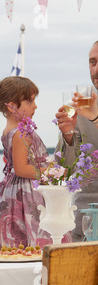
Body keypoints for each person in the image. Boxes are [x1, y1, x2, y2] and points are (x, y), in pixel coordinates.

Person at [0, 76, 71, 249]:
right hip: (26, 193)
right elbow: (21, 168)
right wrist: (49, 173)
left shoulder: (10, 130)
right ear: (11, 106)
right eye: (29, 101)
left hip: (12, 190)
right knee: (37, 235)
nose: (35, 106)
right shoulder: (21, 133)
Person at [55, 40, 98, 242]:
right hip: (85, 218)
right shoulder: (79, 107)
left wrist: (95, 119)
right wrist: (68, 135)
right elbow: (66, 170)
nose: (96, 69)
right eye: (92, 62)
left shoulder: (89, 111)